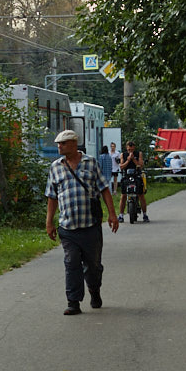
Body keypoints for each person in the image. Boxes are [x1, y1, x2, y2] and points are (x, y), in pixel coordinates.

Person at [45, 130, 119, 315]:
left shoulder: (90, 163)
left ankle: (94, 290)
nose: (59, 147)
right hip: (67, 227)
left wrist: (112, 214)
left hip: (90, 226)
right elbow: (52, 197)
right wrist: (49, 222)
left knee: (93, 265)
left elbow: (104, 189)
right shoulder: (55, 167)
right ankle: (73, 302)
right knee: (71, 263)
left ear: (73, 144)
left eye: (62, 143)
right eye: (58, 144)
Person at [117, 140, 150, 222]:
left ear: (134, 148)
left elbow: (141, 165)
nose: (130, 151)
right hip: (127, 176)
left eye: (132, 150)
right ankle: (121, 215)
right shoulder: (123, 155)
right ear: (126, 148)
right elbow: (121, 166)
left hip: (136, 176)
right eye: (129, 150)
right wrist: (128, 160)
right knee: (123, 195)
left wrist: (134, 160)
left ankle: (145, 214)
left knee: (141, 195)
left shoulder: (138, 154)